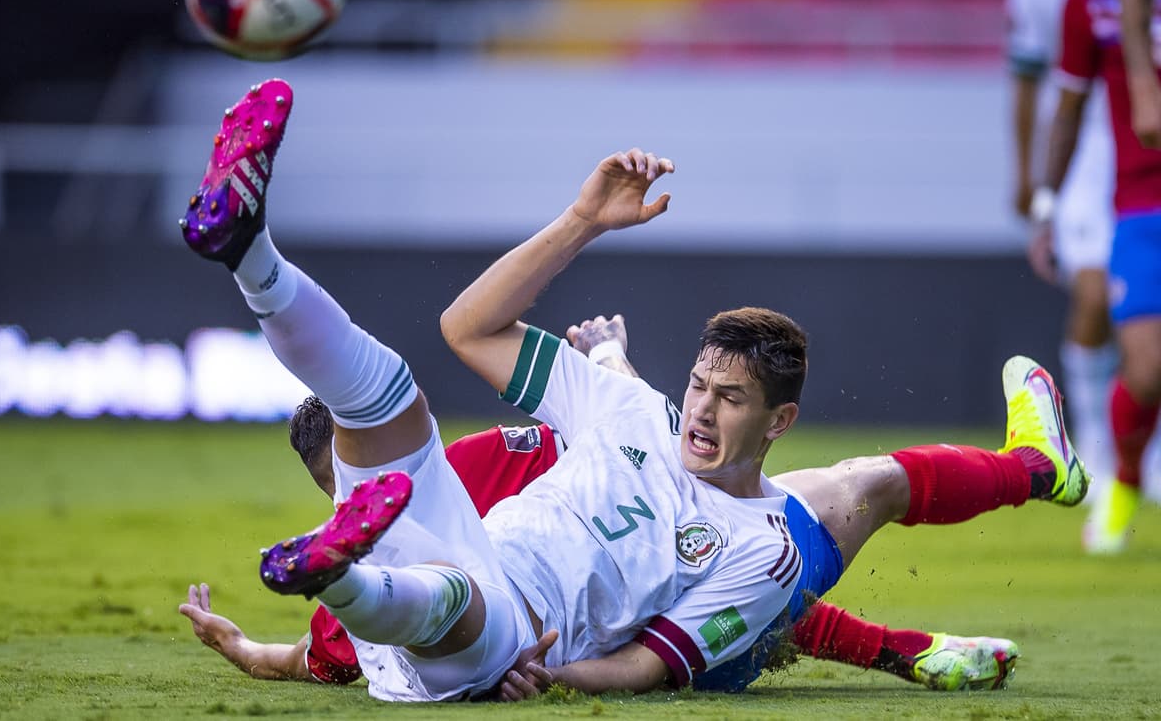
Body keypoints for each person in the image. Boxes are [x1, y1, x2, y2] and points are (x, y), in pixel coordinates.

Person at [181, 80, 1084, 701]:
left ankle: (343, 572)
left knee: (454, 591)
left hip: (500, 638)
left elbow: (648, 668)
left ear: (781, 421)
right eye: (698, 385)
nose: (700, 409)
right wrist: (582, 222)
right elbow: (470, 330)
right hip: (458, 593)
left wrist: (551, 676)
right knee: (388, 401)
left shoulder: (762, 546)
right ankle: (251, 250)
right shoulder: (628, 411)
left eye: (729, 400)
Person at [181, 326, 1020, 694]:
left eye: (354, 481)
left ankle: (923, 639)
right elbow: (313, 657)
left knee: (739, 554)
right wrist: (246, 647)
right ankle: (917, 648)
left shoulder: (478, 468)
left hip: (651, 579)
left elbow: (629, 449)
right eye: (345, 490)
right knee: (770, 562)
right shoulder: (441, 490)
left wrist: (612, 364)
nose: (355, 495)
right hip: (625, 638)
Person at [1035, 0, 1161, 553]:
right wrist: (1047, 204)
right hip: (1141, 201)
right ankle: (1124, 479)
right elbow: (1071, 103)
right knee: (1143, 368)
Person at [1009, 0, 1119, 497]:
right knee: (1095, 293)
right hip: (1081, 154)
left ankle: (1138, 447)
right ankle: (1094, 442)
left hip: (1139, 146)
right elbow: (1027, 81)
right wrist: (1029, 174)